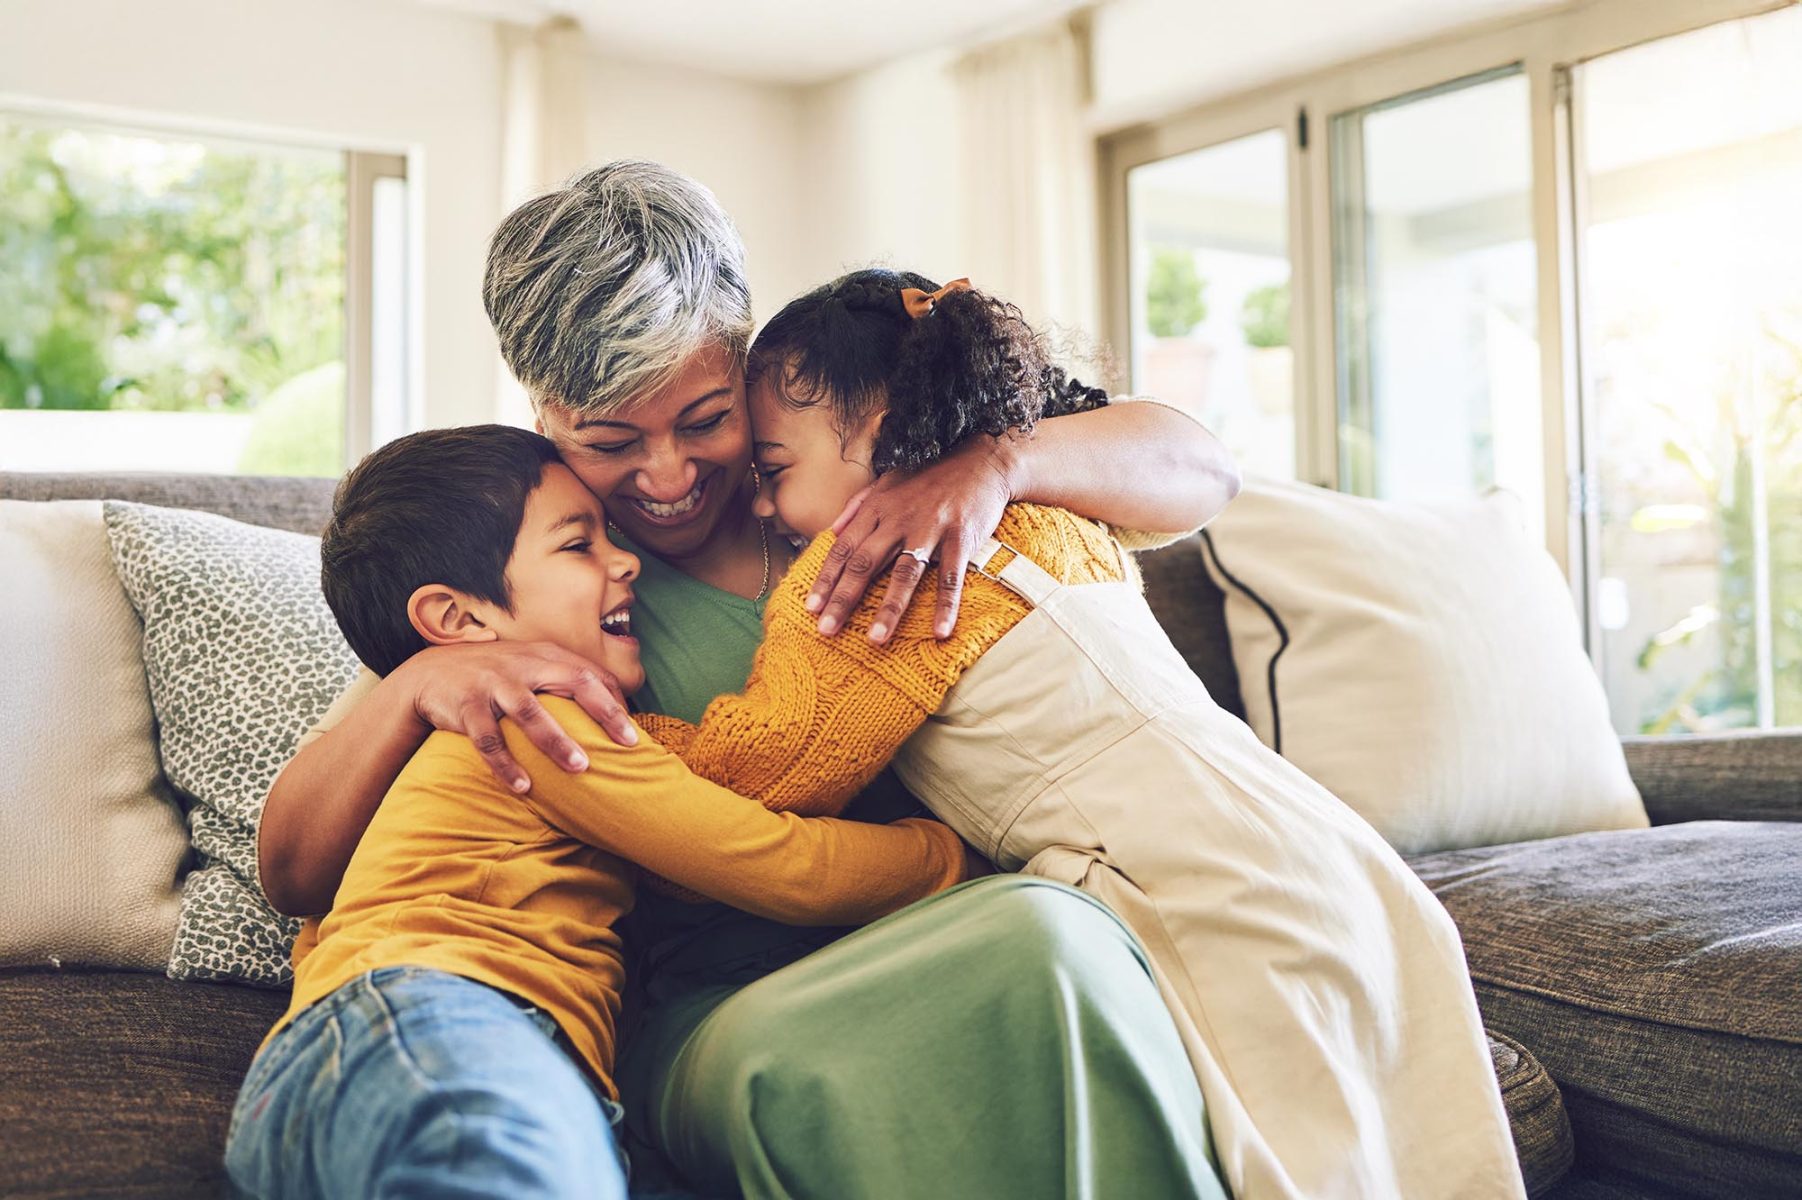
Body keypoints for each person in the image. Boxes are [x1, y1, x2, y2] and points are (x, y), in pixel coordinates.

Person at [258, 160, 1241, 1198]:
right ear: (544, 417)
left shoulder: (861, 465)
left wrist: (999, 463)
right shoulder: (532, 583)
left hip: (947, 920)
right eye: (607, 441)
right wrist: (417, 685)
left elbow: (1201, 471)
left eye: (703, 420)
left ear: (744, 362)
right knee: (1038, 939)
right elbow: (295, 868)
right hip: (726, 1003)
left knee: (1068, 943)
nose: (669, 478)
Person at [626, 268, 1527, 1200]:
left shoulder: (876, 576)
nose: (764, 506)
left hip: (1178, 877)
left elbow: (768, 765)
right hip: (1326, 847)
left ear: (886, 433)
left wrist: (586, 731)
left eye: (775, 472)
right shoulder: (1063, 514)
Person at [226, 426, 975, 1200]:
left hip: (372, 1066)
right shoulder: (533, 719)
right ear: (455, 621)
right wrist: (956, 858)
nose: (627, 561)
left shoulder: (450, 724)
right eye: (578, 546)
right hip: (436, 1024)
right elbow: (780, 863)